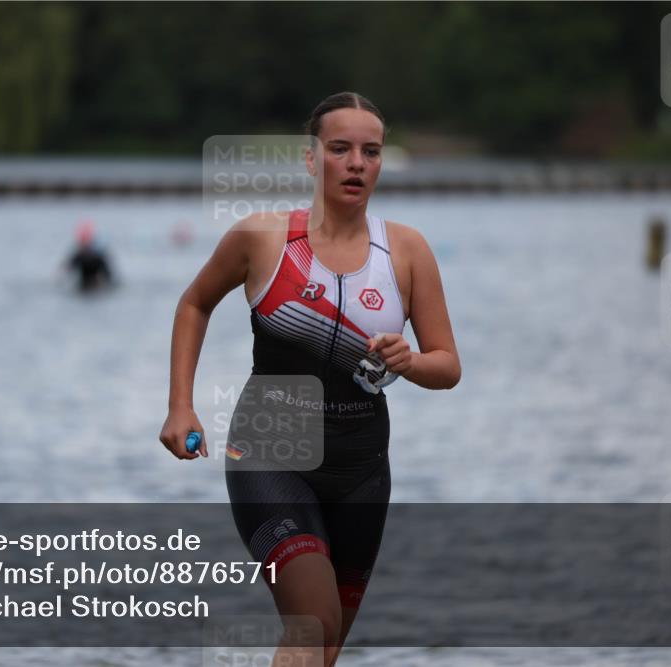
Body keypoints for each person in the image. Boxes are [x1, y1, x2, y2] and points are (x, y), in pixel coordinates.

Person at [159, 92, 460, 666]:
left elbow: (447, 365)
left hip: (362, 465)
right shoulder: (263, 239)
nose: (356, 163)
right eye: (340, 148)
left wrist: (410, 360)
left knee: (327, 648)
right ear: (311, 158)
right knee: (311, 622)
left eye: (370, 152)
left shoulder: (407, 250)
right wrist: (181, 406)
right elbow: (194, 304)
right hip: (271, 448)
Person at [62, 219, 114, 292]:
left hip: (96, 285)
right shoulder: (78, 255)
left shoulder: (98, 256)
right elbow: (67, 270)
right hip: (83, 285)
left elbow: (108, 274)